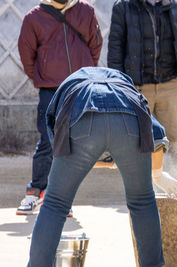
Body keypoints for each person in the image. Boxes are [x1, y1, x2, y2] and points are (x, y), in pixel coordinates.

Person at [27, 67, 165, 267]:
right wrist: (158, 175)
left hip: (82, 115)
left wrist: (90, 156)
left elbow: (60, 147)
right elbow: (157, 135)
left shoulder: (68, 90)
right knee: (142, 201)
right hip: (130, 120)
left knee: (55, 204)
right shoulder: (128, 89)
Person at [17, 0, 103, 216]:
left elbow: (95, 45)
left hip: (78, 86)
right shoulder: (33, 18)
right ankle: (35, 192)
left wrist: (85, 73)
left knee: (72, 142)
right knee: (47, 140)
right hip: (49, 89)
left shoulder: (86, 11)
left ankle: (61, 197)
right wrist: (41, 76)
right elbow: (27, 55)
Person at [107, 0, 177, 150]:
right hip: (138, 88)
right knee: (138, 140)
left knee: (176, 140)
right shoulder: (124, 6)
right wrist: (118, 86)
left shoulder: (170, 4)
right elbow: (115, 49)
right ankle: (144, 174)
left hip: (169, 83)